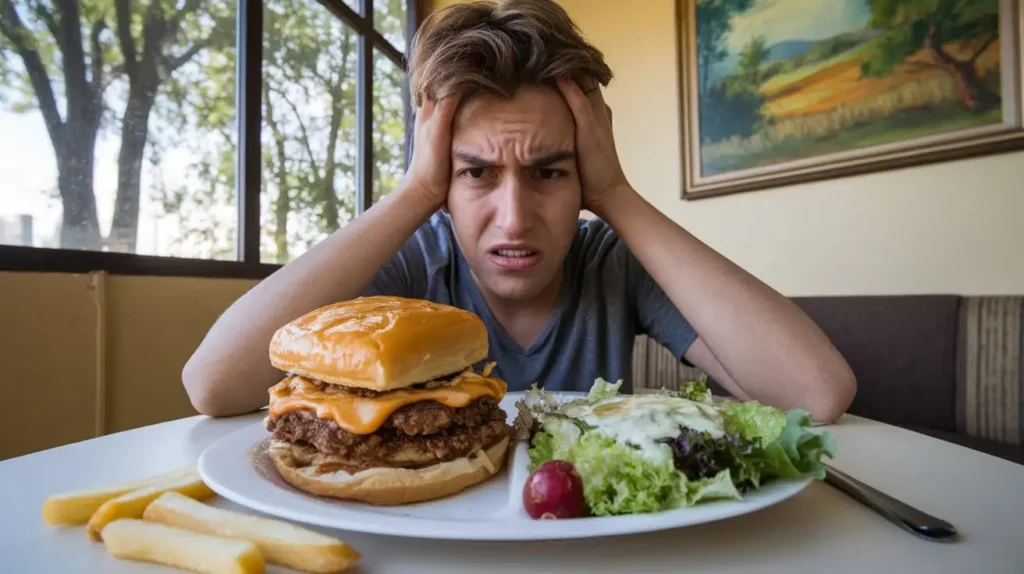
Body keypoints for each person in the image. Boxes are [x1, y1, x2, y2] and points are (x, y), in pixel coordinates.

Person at [182, 0, 856, 422]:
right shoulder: (420, 261)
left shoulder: (611, 263)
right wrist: (416, 194)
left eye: (549, 172)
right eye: (476, 173)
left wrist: (616, 194)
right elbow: (214, 384)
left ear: (583, 172)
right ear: (443, 174)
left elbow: (818, 392)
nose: (513, 219)